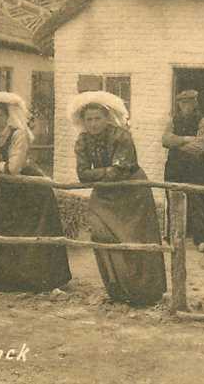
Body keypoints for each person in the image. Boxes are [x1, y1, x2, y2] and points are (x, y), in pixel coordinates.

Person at [69, 91, 167, 306]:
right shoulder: (83, 141)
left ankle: (144, 293)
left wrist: (101, 173)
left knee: (133, 240)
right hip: (104, 194)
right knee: (101, 234)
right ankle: (117, 290)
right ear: (84, 122)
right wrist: (106, 171)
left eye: (98, 118)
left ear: (107, 118)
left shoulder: (121, 136)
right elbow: (82, 174)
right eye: (89, 119)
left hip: (132, 194)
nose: (93, 124)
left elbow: (120, 171)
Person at [0, 92, 71, 292]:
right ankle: (10, 280)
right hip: (10, 189)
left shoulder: (18, 135)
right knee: (3, 226)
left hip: (33, 189)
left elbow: (14, 169)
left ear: (6, 116)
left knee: (35, 230)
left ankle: (42, 280)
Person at [162, 89, 204, 253]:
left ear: (195, 103)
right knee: (172, 200)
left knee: (197, 201)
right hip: (174, 166)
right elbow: (165, 140)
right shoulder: (173, 121)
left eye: (189, 102)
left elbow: (199, 146)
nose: (186, 106)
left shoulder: (202, 121)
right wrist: (185, 139)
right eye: (183, 103)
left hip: (195, 167)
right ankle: (171, 237)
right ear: (179, 104)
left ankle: (201, 240)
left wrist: (176, 144)